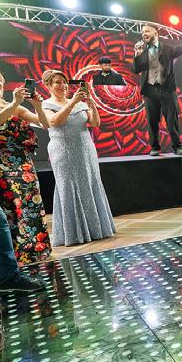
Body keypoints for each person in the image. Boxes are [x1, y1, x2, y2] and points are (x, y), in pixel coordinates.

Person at [41, 70, 116, 247]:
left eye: (64, 82)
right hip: (63, 152)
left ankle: (97, 229)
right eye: (58, 82)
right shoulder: (46, 104)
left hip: (86, 150)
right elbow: (54, 122)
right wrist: (73, 102)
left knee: (90, 183)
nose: (63, 86)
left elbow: (95, 123)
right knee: (69, 187)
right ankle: (75, 233)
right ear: (48, 86)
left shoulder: (80, 103)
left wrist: (91, 105)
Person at [0, 72, 51, 264]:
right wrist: (14, 103)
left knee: (31, 204)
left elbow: (44, 124)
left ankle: (35, 251)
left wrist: (38, 106)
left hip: (24, 164)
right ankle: (13, 256)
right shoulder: (12, 105)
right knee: (11, 208)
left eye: (0, 81)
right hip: (2, 164)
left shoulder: (15, 106)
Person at [132, 22, 182, 156]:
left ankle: (177, 146)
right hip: (150, 92)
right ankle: (155, 147)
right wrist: (137, 55)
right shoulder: (143, 51)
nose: (144, 34)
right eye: (143, 32)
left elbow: (181, 49)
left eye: (147, 31)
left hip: (167, 90)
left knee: (172, 120)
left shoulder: (167, 48)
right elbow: (136, 70)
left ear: (155, 33)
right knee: (152, 121)